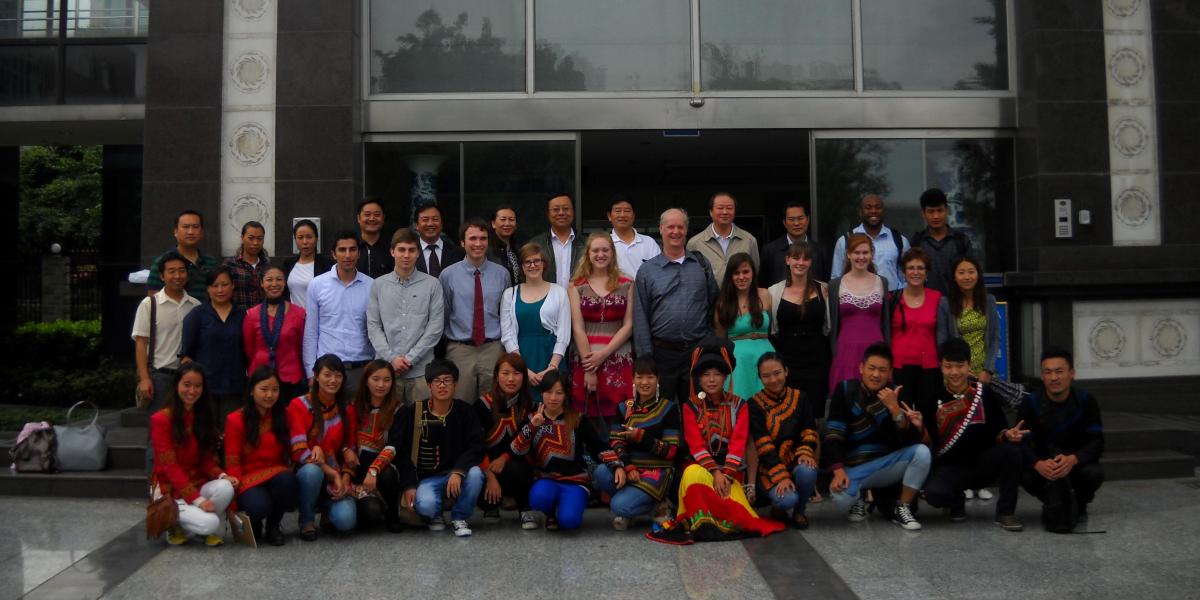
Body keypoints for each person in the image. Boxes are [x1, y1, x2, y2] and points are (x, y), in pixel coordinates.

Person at [648, 341, 785, 544]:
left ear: (725, 376)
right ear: (699, 378)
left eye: (717, 374)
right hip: (701, 468)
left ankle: (715, 517)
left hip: (731, 473)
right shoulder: (690, 407)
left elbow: (738, 444)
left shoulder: (740, 405)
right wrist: (715, 473)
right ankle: (700, 521)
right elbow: (696, 445)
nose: (711, 379)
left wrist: (726, 474)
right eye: (705, 374)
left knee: (740, 517)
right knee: (691, 473)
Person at [919, 338, 1025, 531]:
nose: (954, 372)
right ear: (941, 367)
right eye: (948, 366)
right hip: (951, 468)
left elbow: (999, 431)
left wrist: (1008, 434)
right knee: (933, 493)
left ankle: (1005, 512)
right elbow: (930, 443)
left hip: (983, 464)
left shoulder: (984, 394)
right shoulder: (932, 400)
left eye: (960, 366)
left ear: (969, 366)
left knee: (1012, 452)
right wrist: (919, 427)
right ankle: (956, 502)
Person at [824, 343, 929, 531]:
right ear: (861, 368)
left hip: (886, 465)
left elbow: (910, 441)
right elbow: (833, 433)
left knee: (922, 453)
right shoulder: (846, 389)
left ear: (889, 373)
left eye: (882, 370)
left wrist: (895, 410)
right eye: (871, 368)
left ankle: (902, 508)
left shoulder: (896, 393)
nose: (876, 375)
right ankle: (859, 498)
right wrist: (838, 470)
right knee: (839, 498)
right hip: (854, 466)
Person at [511, 370, 624, 531]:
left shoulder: (577, 419)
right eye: (549, 392)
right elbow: (516, 450)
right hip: (546, 479)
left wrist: (616, 465)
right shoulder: (532, 419)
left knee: (570, 522)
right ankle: (550, 513)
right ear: (541, 393)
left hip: (575, 481)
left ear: (566, 395)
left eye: (559, 393)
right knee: (538, 498)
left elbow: (597, 446)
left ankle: (566, 508)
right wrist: (532, 427)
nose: (553, 398)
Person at [389, 359, 486, 537]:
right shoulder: (414, 412)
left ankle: (459, 516)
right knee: (425, 505)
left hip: (457, 474)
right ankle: (436, 514)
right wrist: (409, 485)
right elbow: (401, 452)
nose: (442, 386)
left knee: (475, 474)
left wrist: (458, 471)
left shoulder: (466, 411)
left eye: (447, 380)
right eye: (437, 381)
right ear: (429, 385)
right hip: (427, 478)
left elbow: (476, 447)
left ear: (455, 384)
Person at [633, 208, 719, 403]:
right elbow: (640, 316)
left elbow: (715, 303)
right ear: (661, 229)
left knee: (698, 409)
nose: (675, 231)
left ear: (686, 230)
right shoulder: (647, 271)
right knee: (661, 412)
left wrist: (710, 342)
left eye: (680, 227)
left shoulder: (701, 265)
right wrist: (646, 358)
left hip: (696, 353)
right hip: (661, 355)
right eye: (670, 227)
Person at [150, 363, 236, 546]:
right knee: (211, 523)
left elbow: (205, 460)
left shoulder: (202, 417)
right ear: (176, 386)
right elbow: (170, 467)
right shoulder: (161, 420)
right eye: (187, 384)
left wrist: (222, 475)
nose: (192, 390)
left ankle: (193, 524)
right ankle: (175, 524)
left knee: (226, 487)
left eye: (198, 386)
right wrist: (198, 501)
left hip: (196, 482)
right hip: (170, 489)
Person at [1019, 347, 1105, 526]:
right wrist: (1038, 463)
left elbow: (1096, 441)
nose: (1053, 378)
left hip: (1073, 463)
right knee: (1023, 473)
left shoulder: (1086, 401)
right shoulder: (1030, 403)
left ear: (1071, 373)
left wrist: (1074, 459)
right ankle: (1053, 502)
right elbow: (1022, 443)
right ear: (1042, 376)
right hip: (1046, 465)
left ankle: (1080, 504)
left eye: (1059, 371)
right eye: (1047, 372)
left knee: (1094, 473)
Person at [593, 356, 679, 530]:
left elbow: (671, 451)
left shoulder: (668, 408)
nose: (644, 382)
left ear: (658, 379)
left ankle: (659, 506)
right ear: (633, 379)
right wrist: (626, 466)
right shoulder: (624, 408)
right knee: (601, 472)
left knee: (618, 506)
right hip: (631, 469)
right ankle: (631, 508)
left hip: (657, 471)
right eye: (639, 377)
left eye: (650, 377)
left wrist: (643, 438)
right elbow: (616, 441)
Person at [367, 228, 444, 406]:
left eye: (411, 250)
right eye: (401, 250)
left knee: (420, 425)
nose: (406, 255)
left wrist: (409, 359)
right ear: (392, 251)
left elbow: (435, 328)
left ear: (418, 253)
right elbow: (373, 326)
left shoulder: (433, 285)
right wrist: (392, 358)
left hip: (421, 371)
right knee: (387, 425)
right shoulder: (378, 285)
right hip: (386, 372)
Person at [287, 354, 358, 541]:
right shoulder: (298, 405)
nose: (333, 380)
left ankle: (327, 513)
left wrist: (343, 478)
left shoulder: (347, 407)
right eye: (327, 375)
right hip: (309, 474)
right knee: (312, 472)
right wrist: (332, 473)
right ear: (316, 376)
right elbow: (299, 450)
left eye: (338, 375)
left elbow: (350, 448)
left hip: (336, 472)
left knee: (346, 521)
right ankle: (306, 520)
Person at [224, 366, 297, 546]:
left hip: (277, 473)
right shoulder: (235, 419)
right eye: (264, 389)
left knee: (288, 480)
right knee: (258, 506)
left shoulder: (285, 414)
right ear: (251, 391)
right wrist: (233, 501)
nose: (270, 395)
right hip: (248, 478)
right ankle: (255, 522)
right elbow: (232, 461)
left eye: (274, 390)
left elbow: (295, 447)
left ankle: (273, 526)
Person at [568, 232, 635, 428]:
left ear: (612, 253)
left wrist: (603, 354)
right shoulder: (576, 286)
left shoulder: (627, 283)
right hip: (585, 356)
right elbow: (577, 327)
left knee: (619, 413)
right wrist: (590, 365)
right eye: (595, 250)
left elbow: (628, 325)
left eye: (605, 250)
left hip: (618, 355)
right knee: (587, 416)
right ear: (588, 254)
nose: (600, 254)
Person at [440, 219, 509, 404]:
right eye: (472, 238)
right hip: (460, 350)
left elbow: (506, 314)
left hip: (492, 349)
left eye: (483, 238)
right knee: (460, 404)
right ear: (462, 242)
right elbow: (445, 313)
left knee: (493, 404)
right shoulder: (448, 275)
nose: (478, 244)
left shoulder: (502, 274)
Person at [749, 353, 819, 529]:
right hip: (769, 469)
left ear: (786, 371)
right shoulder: (754, 404)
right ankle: (779, 509)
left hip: (795, 460)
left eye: (777, 373)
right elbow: (762, 445)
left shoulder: (800, 397)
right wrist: (781, 476)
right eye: (766, 376)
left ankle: (800, 511)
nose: (773, 380)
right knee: (787, 500)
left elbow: (809, 429)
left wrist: (805, 452)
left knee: (807, 470)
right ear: (760, 378)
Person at [133, 251, 202, 418]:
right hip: (160, 378)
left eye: (181, 271)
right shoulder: (150, 304)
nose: (177, 276)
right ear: (162, 276)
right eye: (171, 271)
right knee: (158, 432)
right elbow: (141, 343)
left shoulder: (196, 306)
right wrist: (144, 378)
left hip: (189, 378)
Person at [303, 231, 374, 392]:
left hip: (361, 368)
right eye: (342, 250)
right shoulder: (317, 285)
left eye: (352, 249)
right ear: (333, 254)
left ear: (359, 253)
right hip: (327, 370)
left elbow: (376, 328)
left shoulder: (372, 286)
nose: (348, 255)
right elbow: (311, 331)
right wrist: (310, 372)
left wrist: (375, 364)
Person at [766, 242, 830, 416]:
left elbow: (828, 327)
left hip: (817, 362)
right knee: (789, 415)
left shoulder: (824, 290)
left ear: (811, 262)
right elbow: (771, 329)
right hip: (787, 364)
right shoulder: (773, 292)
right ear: (787, 260)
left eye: (806, 258)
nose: (800, 262)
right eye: (796, 257)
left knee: (815, 415)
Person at [501, 243, 571, 401]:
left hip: (552, 357)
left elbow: (564, 334)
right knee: (524, 408)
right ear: (521, 266)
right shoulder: (509, 294)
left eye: (537, 261)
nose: (533, 265)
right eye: (527, 262)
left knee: (553, 406)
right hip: (521, 358)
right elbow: (508, 335)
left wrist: (552, 367)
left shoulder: (559, 292)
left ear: (544, 264)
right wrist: (523, 369)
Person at [475, 353, 538, 529]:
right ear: (496, 376)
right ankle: (492, 505)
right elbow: (474, 445)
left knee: (519, 468)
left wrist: (504, 458)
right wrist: (489, 475)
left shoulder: (530, 407)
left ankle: (524, 508)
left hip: (516, 467)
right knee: (476, 483)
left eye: (517, 373)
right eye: (505, 373)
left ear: (524, 377)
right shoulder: (482, 405)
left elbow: (528, 446)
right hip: (487, 468)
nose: (511, 379)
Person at [180, 266, 247, 422]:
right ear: (208, 289)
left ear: (233, 286)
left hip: (234, 388)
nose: (220, 290)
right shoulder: (196, 315)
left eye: (224, 285)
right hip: (204, 389)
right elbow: (187, 355)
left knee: (231, 436)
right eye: (215, 286)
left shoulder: (243, 315)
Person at [828, 233, 892, 394]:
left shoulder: (882, 282)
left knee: (878, 400)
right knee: (846, 401)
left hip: (876, 349)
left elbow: (886, 323)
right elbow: (832, 324)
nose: (861, 257)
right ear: (848, 254)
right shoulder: (836, 285)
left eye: (865, 252)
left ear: (872, 254)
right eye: (856, 252)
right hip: (846, 352)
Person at [351, 360, 405, 533]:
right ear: (366, 380)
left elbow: (394, 446)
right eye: (376, 379)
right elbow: (346, 442)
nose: (381, 385)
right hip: (355, 474)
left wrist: (373, 470)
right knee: (370, 513)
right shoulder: (353, 407)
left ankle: (392, 514)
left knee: (388, 472)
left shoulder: (399, 410)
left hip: (383, 473)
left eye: (387, 380)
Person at [713, 252, 774, 399]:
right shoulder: (723, 303)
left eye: (746, 272)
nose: (741, 277)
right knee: (740, 404)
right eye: (736, 273)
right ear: (730, 276)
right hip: (738, 363)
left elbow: (773, 326)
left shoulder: (765, 295)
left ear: (753, 272)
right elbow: (720, 340)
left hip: (766, 357)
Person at [244, 265, 308, 402]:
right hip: (260, 379)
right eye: (269, 280)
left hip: (290, 378)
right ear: (261, 283)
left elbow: (301, 347)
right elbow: (249, 350)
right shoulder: (251, 314)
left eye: (279, 279)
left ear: (285, 283)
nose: (274, 284)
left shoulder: (299, 313)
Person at [891, 248, 943, 408]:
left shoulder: (938, 298)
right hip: (899, 368)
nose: (915, 272)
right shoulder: (892, 298)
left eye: (920, 268)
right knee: (902, 417)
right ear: (904, 272)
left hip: (930, 368)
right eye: (911, 268)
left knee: (928, 416)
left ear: (927, 273)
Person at [937, 255, 999, 384]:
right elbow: (942, 341)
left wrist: (988, 370)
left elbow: (994, 338)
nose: (966, 277)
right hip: (956, 372)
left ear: (978, 274)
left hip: (983, 373)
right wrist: (958, 368)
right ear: (954, 276)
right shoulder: (945, 303)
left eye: (971, 272)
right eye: (961, 273)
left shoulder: (989, 301)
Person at [830, 194, 911, 291]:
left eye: (878, 207)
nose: (873, 211)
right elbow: (836, 277)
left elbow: (906, 276)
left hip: (893, 301)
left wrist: (899, 297)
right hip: (856, 301)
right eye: (868, 208)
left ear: (884, 211)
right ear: (860, 212)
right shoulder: (845, 241)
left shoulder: (899, 241)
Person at [686, 192, 760, 282]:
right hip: (708, 296)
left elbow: (755, 272)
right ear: (711, 212)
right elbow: (690, 277)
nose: (725, 212)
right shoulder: (695, 243)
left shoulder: (749, 240)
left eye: (729, 208)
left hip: (739, 295)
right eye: (720, 208)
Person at [147, 209, 219, 302]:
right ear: (176, 231)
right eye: (185, 227)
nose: (190, 232)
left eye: (195, 227)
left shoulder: (211, 263)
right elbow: (154, 301)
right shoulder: (162, 262)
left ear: (202, 232)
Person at [912, 188, 973, 294]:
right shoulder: (917, 242)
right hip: (926, 304)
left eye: (940, 210)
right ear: (923, 213)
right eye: (931, 211)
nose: (936, 216)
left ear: (947, 210)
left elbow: (971, 275)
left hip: (956, 304)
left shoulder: (961, 241)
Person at [760, 202, 828, 286]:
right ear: (784, 223)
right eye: (791, 219)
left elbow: (826, 282)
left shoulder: (820, 250)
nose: (796, 223)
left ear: (808, 220)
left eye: (800, 218)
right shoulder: (770, 251)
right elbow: (763, 285)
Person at [528, 194, 585, 286]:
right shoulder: (536, 244)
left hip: (580, 298)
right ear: (548, 214)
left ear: (573, 212)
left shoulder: (587, 244)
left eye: (566, 208)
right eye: (556, 209)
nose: (561, 213)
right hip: (546, 299)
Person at [283, 219, 333, 309]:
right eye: (300, 237)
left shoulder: (327, 265)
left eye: (309, 237)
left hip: (318, 318)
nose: (305, 242)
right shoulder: (288, 264)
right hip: (295, 319)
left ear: (316, 238)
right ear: (295, 239)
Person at [607, 194, 660, 279]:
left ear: (634, 215)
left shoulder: (649, 243)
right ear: (609, 216)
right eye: (617, 211)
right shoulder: (605, 243)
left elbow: (658, 273)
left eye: (627, 211)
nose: (622, 215)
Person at [223, 221, 270, 311]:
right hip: (238, 319)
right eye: (251, 238)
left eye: (259, 238)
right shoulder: (230, 264)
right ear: (242, 238)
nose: (255, 243)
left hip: (262, 319)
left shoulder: (267, 265)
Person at [414, 204, 465, 278]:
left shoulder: (458, 253)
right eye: (425, 219)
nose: (430, 224)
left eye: (435, 219)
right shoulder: (408, 252)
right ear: (417, 225)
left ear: (441, 224)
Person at [356, 198, 393, 278]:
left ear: (383, 218)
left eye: (377, 215)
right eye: (367, 215)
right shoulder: (352, 247)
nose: (372, 219)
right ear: (358, 218)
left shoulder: (393, 247)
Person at [488, 205, 522, 285]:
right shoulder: (487, 249)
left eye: (511, 220)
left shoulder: (518, 249)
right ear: (493, 223)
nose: (507, 223)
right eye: (503, 219)